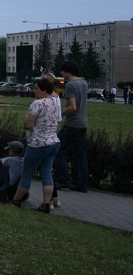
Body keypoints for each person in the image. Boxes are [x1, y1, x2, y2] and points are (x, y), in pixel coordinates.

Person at [11, 77, 62, 212]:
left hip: (38, 144)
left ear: (44, 90)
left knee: (27, 173)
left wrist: (26, 124)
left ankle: (15, 200)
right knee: (47, 173)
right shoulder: (55, 102)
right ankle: (46, 204)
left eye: (37, 88)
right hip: (53, 142)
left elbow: (28, 124)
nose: (34, 91)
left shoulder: (37, 103)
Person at [53, 61, 89, 192]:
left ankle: (64, 179)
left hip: (72, 123)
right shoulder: (84, 83)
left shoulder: (70, 85)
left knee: (57, 147)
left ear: (67, 71)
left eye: (62, 71)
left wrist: (59, 115)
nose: (61, 74)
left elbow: (73, 107)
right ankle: (82, 183)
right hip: (83, 123)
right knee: (81, 154)